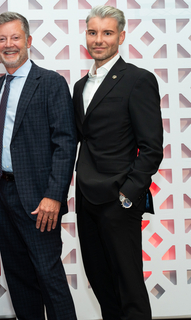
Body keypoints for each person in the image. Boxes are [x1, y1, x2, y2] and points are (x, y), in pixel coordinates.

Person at [0, 12, 77, 320]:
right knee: (19, 279)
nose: (9, 44)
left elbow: (65, 142)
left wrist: (54, 196)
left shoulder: (50, 82)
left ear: (28, 41)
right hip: (2, 195)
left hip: (39, 200)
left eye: (15, 37)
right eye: (2, 39)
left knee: (50, 278)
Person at [73, 5, 163, 319]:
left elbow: (151, 147)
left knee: (129, 287)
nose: (99, 40)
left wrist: (129, 193)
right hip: (86, 200)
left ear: (121, 36)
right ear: (86, 35)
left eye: (107, 33)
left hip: (119, 200)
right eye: (93, 32)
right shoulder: (79, 87)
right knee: (101, 283)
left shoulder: (138, 80)